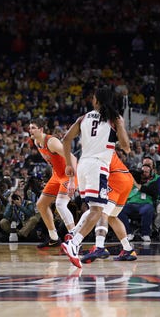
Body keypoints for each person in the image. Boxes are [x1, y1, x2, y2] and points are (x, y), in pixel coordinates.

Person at [61, 86, 130, 268]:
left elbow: (66, 139)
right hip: (98, 166)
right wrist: (121, 125)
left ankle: (74, 239)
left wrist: (69, 164)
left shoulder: (83, 118)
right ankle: (73, 243)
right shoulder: (114, 119)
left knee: (94, 209)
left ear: (95, 100)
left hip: (83, 165)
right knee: (97, 210)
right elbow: (126, 146)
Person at [74, 151, 138, 263]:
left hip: (115, 178)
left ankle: (99, 247)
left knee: (100, 211)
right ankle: (128, 249)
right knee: (112, 216)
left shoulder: (95, 148)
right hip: (127, 179)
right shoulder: (103, 143)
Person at [28, 118, 78, 248]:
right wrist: (52, 179)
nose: (30, 130)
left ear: (41, 129)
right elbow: (53, 162)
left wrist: (72, 180)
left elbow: (72, 158)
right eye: (29, 128)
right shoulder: (36, 142)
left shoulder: (51, 142)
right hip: (57, 176)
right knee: (41, 205)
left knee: (60, 204)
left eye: (33, 127)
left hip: (69, 175)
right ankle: (54, 238)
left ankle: (75, 239)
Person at [118, 156, 160, 242]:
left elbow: (155, 191)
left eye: (147, 171)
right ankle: (128, 233)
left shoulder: (156, 179)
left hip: (146, 203)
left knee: (150, 209)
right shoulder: (136, 176)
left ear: (152, 168)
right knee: (119, 210)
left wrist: (139, 186)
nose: (144, 173)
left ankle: (146, 233)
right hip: (131, 203)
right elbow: (128, 172)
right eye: (143, 171)